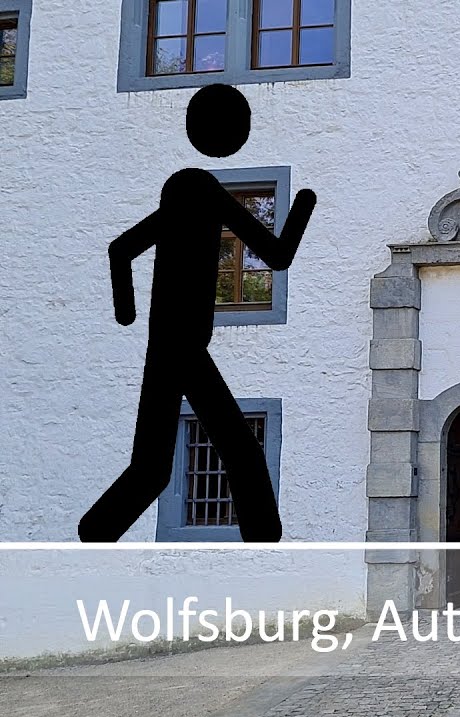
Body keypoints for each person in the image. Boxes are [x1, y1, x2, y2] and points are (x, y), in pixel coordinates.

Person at [79, 84, 316, 543]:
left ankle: (94, 534)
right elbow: (277, 255)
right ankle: (265, 546)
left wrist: (128, 313)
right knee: (241, 452)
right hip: (184, 345)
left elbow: (120, 250)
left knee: (151, 468)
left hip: (166, 342)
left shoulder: (181, 192)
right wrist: (303, 204)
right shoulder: (202, 190)